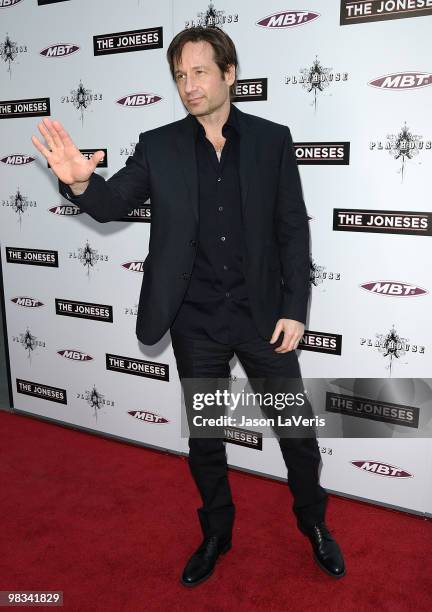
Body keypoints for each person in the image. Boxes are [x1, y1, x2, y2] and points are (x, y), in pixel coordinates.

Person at [31, 26, 345, 586]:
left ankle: (315, 523)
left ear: (229, 74)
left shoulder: (273, 141)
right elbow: (111, 202)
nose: (189, 85)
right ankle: (217, 533)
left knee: (295, 430)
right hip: (195, 320)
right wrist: (80, 184)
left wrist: (295, 308)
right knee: (206, 437)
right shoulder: (158, 145)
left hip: (263, 317)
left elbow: (293, 231)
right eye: (180, 75)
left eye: (200, 72)